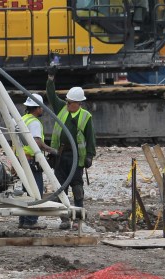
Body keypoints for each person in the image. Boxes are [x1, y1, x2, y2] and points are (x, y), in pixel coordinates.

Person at [46, 65, 97, 230]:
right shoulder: (62, 108)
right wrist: (51, 79)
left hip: (76, 158)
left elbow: (90, 138)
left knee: (77, 187)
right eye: (67, 101)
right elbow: (51, 95)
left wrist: (90, 155)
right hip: (61, 156)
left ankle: (77, 219)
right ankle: (64, 219)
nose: (67, 104)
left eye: (70, 102)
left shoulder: (85, 117)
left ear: (78, 103)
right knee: (61, 187)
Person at [18, 94, 57, 230]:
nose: (43, 110)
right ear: (37, 108)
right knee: (36, 193)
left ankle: (23, 220)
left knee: (26, 192)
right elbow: (37, 142)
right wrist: (51, 150)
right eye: (41, 107)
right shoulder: (34, 122)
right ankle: (30, 221)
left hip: (22, 161)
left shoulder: (23, 119)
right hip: (31, 161)